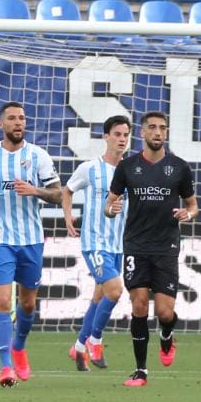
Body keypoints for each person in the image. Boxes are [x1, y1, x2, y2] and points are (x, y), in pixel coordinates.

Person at [0, 102, 62, 387]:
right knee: (3, 301)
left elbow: (58, 194)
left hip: (31, 240)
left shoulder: (38, 156)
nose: (18, 122)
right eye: (12, 118)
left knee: (28, 304)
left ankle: (19, 346)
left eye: (22, 118)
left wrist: (35, 190)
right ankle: (6, 367)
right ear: (1, 124)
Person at [107, 111, 198, 389]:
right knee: (137, 305)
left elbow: (193, 205)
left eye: (162, 128)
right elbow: (109, 204)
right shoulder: (127, 167)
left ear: (166, 133)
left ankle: (167, 337)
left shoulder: (180, 168)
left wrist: (188, 214)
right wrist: (112, 209)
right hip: (135, 244)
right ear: (143, 133)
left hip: (166, 246)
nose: (158, 132)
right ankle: (140, 371)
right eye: (152, 128)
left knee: (165, 312)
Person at [62, 114, 133, 371]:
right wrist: (68, 216)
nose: (122, 139)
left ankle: (78, 347)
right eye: (117, 134)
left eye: (125, 135)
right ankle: (95, 340)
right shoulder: (90, 169)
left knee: (100, 295)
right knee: (115, 291)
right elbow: (68, 190)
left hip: (117, 244)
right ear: (106, 137)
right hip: (94, 242)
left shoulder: (132, 170)